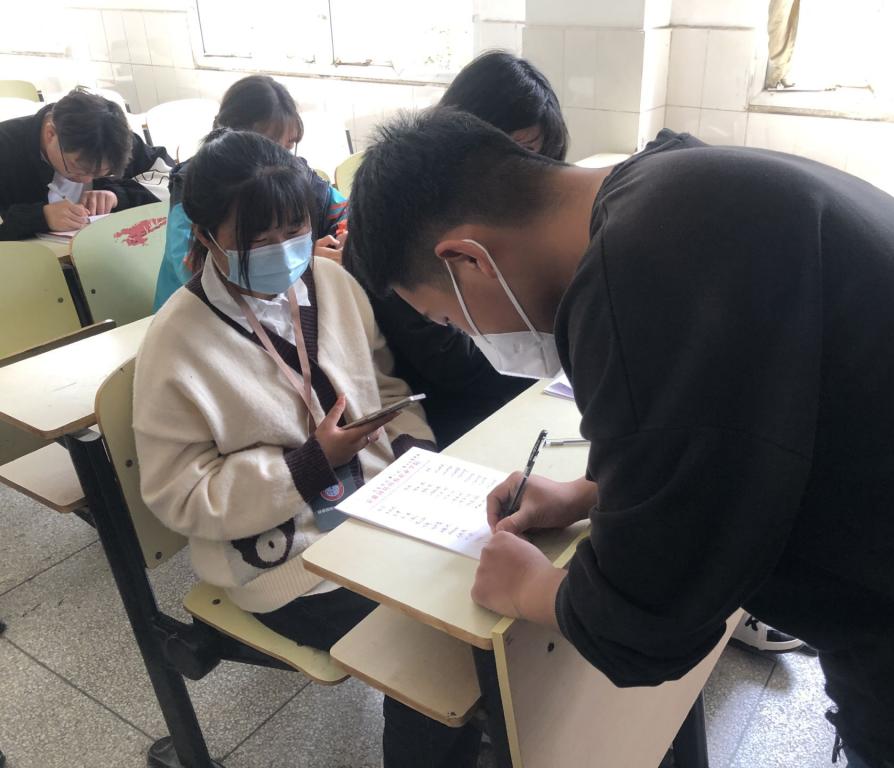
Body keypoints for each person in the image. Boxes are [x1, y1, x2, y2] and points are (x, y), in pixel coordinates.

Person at [345, 108, 894, 768]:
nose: (469, 337)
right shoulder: (671, 184)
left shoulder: (640, 275)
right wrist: (591, 492)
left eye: (448, 319)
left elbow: (647, 622)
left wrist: (532, 591)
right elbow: (738, 419)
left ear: (468, 261)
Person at [134, 129, 480, 768]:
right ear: (206, 236)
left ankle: (480, 729)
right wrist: (308, 464)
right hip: (289, 562)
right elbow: (180, 495)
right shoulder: (176, 341)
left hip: (382, 510)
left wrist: (414, 456)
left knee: (488, 579)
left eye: (294, 229)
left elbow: (384, 385)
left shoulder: (330, 282)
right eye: (257, 239)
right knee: (437, 643)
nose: (283, 250)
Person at [343, 51, 571, 448]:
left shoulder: (506, 217)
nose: (530, 175)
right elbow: (456, 367)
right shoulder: (402, 226)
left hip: (515, 393)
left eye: (540, 157)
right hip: (442, 417)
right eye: (518, 152)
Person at [152, 75, 347, 310]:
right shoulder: (198, 187)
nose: (279, 159)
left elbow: (342, 210)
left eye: (288, 147)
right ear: (234, 136)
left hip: (272, 309)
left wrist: (341, 238)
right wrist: (303, 262)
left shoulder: (290, 172)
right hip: (203, 312)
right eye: (270, 144)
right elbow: (194, 268)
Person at [0, 87, 169, 240]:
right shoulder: (5, 146)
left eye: (102, 172)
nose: (86, 180)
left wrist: (118, 195)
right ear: (51, 134)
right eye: (76, 168)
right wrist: (40, 217)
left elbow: (172, 181)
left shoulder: (113, 141)